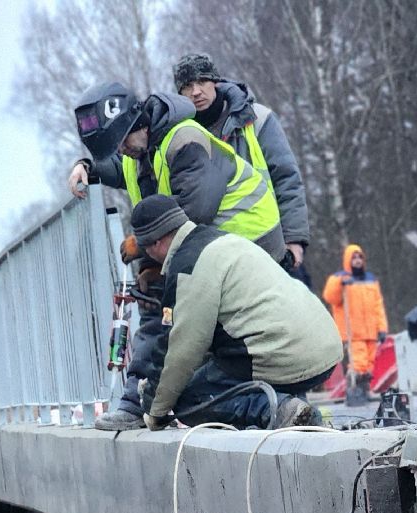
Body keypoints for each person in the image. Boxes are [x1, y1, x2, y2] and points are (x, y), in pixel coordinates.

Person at [68, 83, 284, 431]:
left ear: (136, 122)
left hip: (250, 237)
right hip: (208, 240)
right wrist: (86, 167)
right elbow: (111, 168)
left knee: (199, 323)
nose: (121, 151)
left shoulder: (184, 140)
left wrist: (142, 245)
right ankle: (141, 401)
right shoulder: (136, 154)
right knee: (155, 297)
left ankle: (260, 403)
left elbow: (196, 209)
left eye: (122, 141)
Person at [128, 195, 340, 430]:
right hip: (323, 349)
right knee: (227, 363)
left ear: (154, 243)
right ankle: (299, 410)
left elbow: (181, 350)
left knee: (190, 399)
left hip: (282, 355)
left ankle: (278, 409)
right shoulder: (224, 241)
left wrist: (154, 409)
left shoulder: (188, 266)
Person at [172, 53, 310, 271]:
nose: (196, 91)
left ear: (215, 81)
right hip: (214, 258)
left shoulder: (257, 119)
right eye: (187, 86)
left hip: (269, 246)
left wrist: (294, 237)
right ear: (179, 93)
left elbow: (286, 178)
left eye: (202, 81)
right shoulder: (179, 136)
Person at [322, 244, 389, 405]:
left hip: (371, 331)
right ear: (347, 260)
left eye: (360, 257)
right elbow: (330, 298)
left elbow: (378, 305)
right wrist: (339, 282)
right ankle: (356, 391)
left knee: (369, 364)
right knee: (358, 363)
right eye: (354, 257)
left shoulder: (371, 280)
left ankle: (364, 390)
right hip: (353, 332)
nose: (358, 260)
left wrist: (382, 327)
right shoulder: (339, 280)